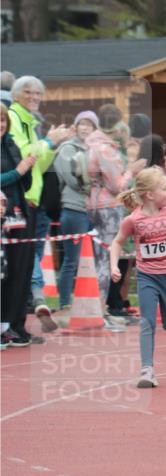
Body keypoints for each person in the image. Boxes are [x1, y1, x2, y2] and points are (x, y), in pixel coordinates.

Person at [110, 167, 166, 388]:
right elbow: (117, 242)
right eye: (165, 189)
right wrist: (114, 266)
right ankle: (147, 369)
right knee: (147, 323)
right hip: (147, 277)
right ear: (150, 195)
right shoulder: (133, 220)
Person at [8, 76, 72, 312]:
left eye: (38, 93)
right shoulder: (14, 118)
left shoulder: (30, 122)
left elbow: (39, 165)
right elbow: (23, 157)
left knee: (25, 258)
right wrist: (47, 141)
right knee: (20, 258)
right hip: (18, 198)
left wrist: (53, 144)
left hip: (32, 199)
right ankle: (34, 301)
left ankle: (22, 314)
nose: (34, 97)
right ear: (16, 95)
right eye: (28, 92)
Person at [85, 103, 145, 329]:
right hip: (106, 207)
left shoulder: (92, 144)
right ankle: (99, 311)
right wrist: (133, 171)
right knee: (105, 260)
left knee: (102, 258)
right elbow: (117, 185)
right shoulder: (104, 149)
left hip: (96, 203)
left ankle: (100, 309)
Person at [0, 103, 41, 346]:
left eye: (3, 121)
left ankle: (15, 325)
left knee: (20, 271)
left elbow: (22, 181)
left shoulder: (11, 144)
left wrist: (27, 170)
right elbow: (9, 176)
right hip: (2, 219)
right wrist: (19, 171)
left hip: (19, 215)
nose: (1, 126)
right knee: (3, 274)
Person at [53, 110, 97, 316]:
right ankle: (64, 303)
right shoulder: (67, 149)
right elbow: (71, 178)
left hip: (95, 210)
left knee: (91, 260)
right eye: (82, 124)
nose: (86, 128)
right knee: (71, 259)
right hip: (74, 208)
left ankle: (88, 302)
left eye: (90, 124)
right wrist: (90, 185)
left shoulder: (98, 149)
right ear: (76, 126)